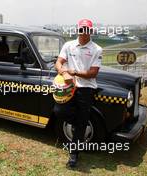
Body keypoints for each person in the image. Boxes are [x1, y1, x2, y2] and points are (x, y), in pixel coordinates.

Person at [55, 19, 103, 169]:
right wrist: (64, 72)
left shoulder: (97, 49)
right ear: (77, 30)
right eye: (81, 29)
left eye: (86, 29)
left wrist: (74, 72)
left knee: (82, 119)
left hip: (86, 88)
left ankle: (74, 155)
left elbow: (93, 73)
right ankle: (81, 126)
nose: (84, 32)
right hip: (68, 86)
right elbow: (58, 62)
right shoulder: (68, 45)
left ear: (91, 31)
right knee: (59, 111)